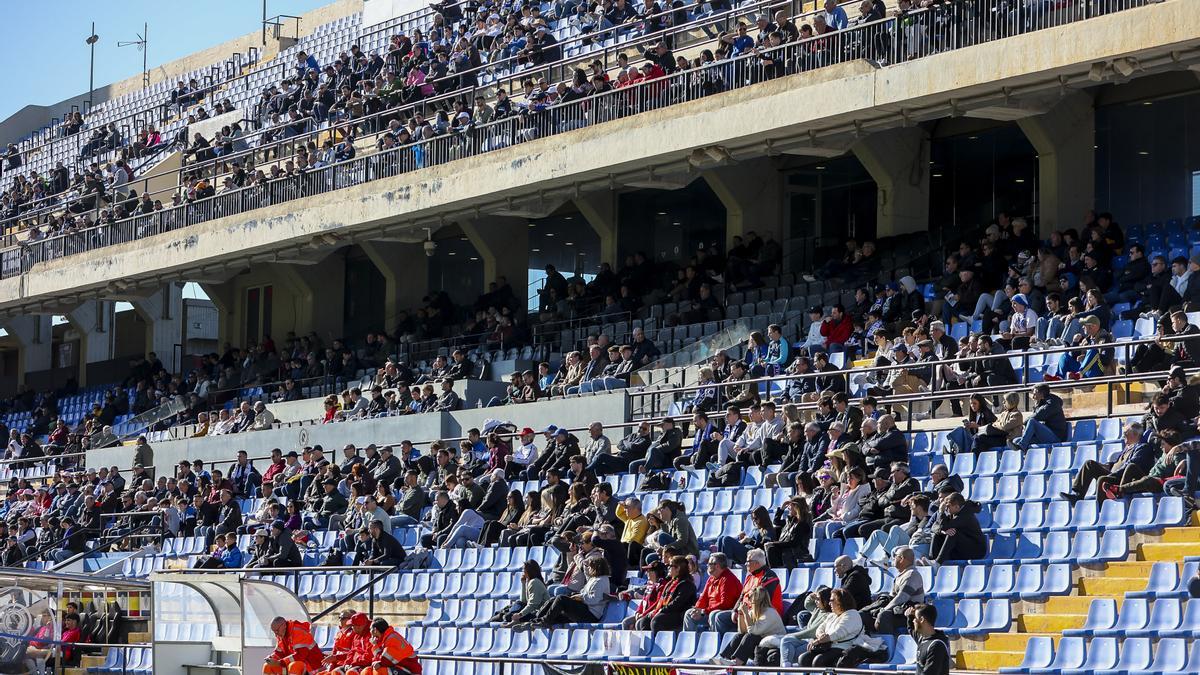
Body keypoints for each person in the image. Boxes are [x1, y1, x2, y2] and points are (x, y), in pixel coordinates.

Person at [1061, 422, 1153, 504]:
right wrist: (1108, 466)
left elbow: (1129, 466)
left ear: (1135, 434)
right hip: (1113, 474)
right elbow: (1119, 463)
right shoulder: (1128, 447)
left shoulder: (1142, 448)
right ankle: (1077, 495)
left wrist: (1112, 474)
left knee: (1103, 479)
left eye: (1126, 433)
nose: (1123, 435)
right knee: (1089, 464)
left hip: (1122, 479)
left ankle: (1101, 508)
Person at [797, 588, 885, 668]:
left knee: (819, 660)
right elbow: (820, 628)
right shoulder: (832, 615)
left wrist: (819, 640)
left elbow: (838, 633)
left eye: (832, 600)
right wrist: (821, 636)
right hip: (827, 647)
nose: (829, 603)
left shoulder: (852, 614)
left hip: (844, 648)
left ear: (841, 601)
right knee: (803, 659)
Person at [525, 557, 611, 626]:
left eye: (590, 567)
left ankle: (544, 621)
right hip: (586, 609)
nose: (588, 568)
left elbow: (594, 599)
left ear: (596, 567)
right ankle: (536, 620)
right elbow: (587, 590)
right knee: (554, 603)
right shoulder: (594, 579)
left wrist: (580, 597)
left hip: (591, 615)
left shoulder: (601, 580)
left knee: (561, 599)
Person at [859, 546, 924, 634]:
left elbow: (902, 598)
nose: (893, 559)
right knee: (863, 615)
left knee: (884, 615)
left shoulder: (912, 574)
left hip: (909, 615)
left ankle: (886, 644)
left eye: (895, 556)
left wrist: (884, 609)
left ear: (901, 558)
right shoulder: (902, 574)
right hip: (897, 611)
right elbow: (892, 597)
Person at [712, 587, 785, 666]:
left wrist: (746, 613)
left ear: (757, 600)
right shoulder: (754, 611)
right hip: (760, 645)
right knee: (739, 636)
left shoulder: (769, 612)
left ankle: (737, 662)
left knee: (750, 637)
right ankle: (725, 659)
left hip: (772, 647)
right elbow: (742, 631)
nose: (748, 600)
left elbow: (753, 631)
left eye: (750, 597)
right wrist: (741, 614)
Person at [683, 552, 741, 631]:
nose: (707, 565)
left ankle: (716, 641)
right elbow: (704, 597)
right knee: (689, 614)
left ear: (717, 566)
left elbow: (725, 604)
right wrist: (697, 609)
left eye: (709, 564)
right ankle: (689, 641)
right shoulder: (712, 578)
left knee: (714, 615)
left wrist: (704, 611)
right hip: (710, 611)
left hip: (726, 612)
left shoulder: (728, 579)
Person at [1010, 383, 1068, 450]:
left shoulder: (1052, 403)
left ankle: (1022, 446)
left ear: (1041, 393)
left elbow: (1036, 416)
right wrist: (1037, 404)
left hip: (1055, 436)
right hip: (1045, 436)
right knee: (1016, 441)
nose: (1033, 397)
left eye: (1034, 394)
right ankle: (1026, 453)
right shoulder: (1042, 402)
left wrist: (1036, 404)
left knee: (1032, 421)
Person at [493, 560, 548, 625]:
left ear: (529, 571)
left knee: (507, 616)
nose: (523, 572)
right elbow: (523, 601)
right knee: (515, 606)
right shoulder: (531, 581)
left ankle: (503, 616)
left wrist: (520, 614)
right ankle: (503, 616)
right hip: (533, 611)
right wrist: (523, 583)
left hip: (538, 614)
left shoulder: (534, 582)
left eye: (524, 570)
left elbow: (533, 605)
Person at [908, 603, 951, 675]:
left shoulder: (936, 645)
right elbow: (911, 629)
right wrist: (909, 616)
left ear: (921, 619)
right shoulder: (922, 639)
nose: (913, 621)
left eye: (914, 618)